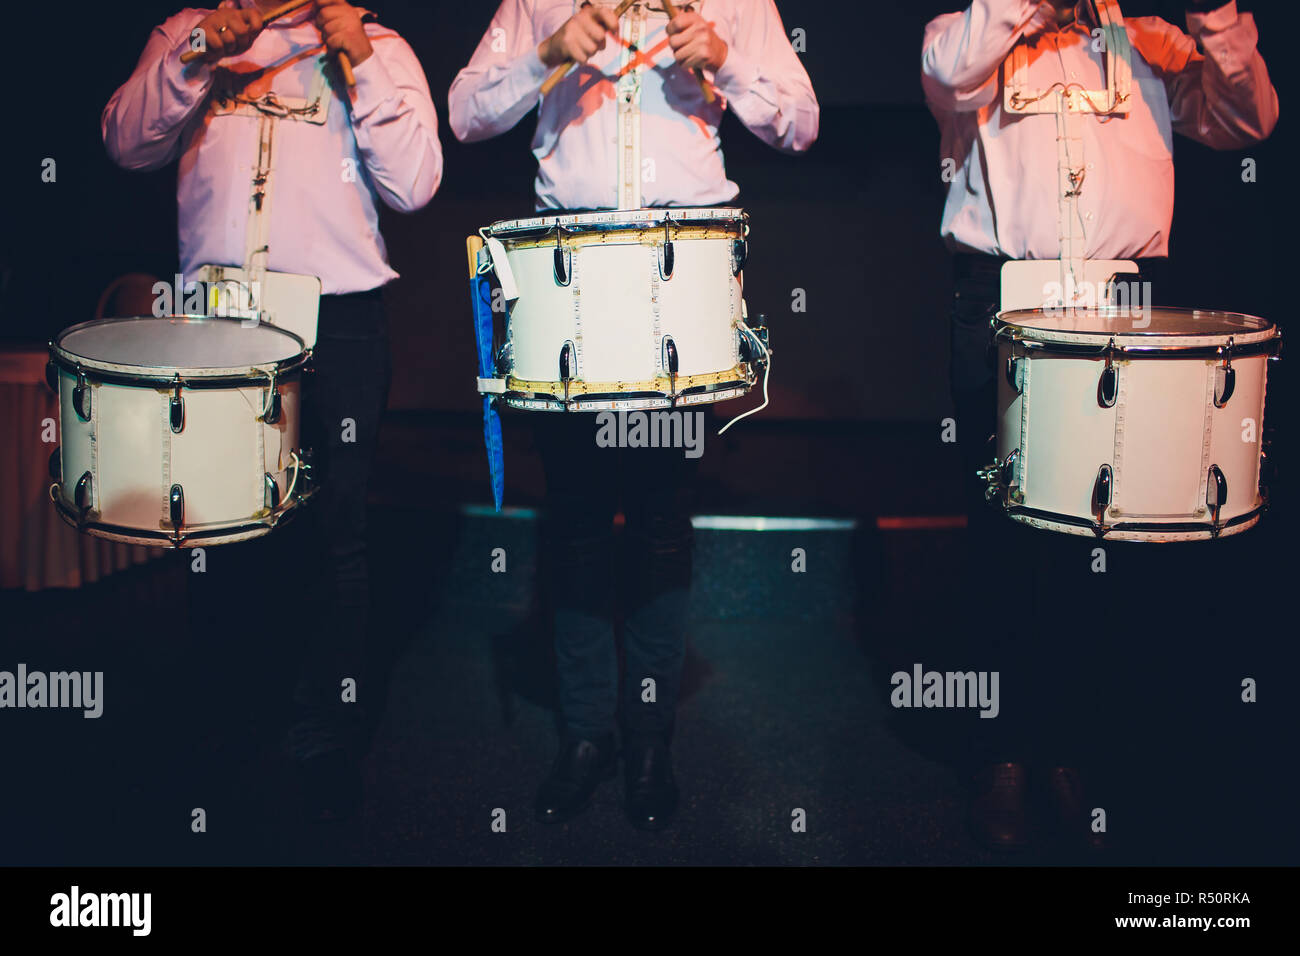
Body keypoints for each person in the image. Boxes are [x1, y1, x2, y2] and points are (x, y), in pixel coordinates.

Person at [450, 0, 818, 829]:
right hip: (566, 283)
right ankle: (586, 734)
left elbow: (801, 124)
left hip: (676, 280)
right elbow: (465, 115)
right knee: (576, 522)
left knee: (658, 522)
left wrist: (725, 61)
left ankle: (650, 737)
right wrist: (545, 52)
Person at [921, 0, 1277, 850]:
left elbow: (1248, 119)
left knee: (1103, 535)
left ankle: (1072, 748)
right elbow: (948, 76)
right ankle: (1001, 753)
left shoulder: (1150, 44)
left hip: (1122, 301)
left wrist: (1216, 20)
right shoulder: (963, 33)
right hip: (1004, 297)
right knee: (1003, 534)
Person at [103, 0, 443, 821]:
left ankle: (322, 728)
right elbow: (124, 142)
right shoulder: (192, 30)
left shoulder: (381, 44)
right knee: (218, 526)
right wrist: (194, 54)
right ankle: (227, 712)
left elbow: (416, 185)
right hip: (215, 321)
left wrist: (355, 57)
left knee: (334, 535)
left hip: (338, 322)